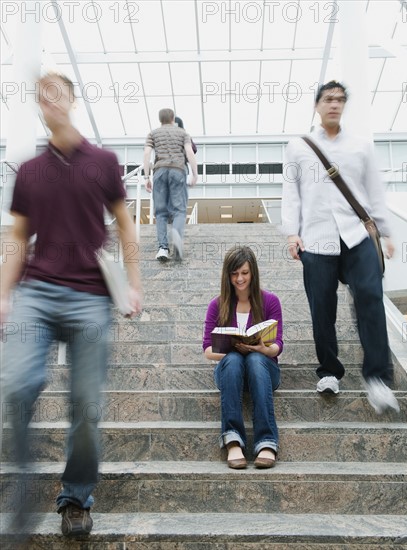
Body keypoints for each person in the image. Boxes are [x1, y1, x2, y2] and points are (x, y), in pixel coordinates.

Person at [0, 72, 143, 536]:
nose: (50, 100)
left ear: (73, 99)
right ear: (39, 106)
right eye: (42, 95)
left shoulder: (103, 162)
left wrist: (134, 285)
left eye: (57, 92)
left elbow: (125, 226)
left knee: (86, 409)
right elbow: (19, 238)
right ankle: (21, 488)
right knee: (19, 384)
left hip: (89, 298)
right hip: (37, 292)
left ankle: (76, 497)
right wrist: (4, 294)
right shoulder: (29, 171)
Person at [281, 80, 399, 415]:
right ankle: (330, 371)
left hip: (357, 235)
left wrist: (386, 233)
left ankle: (377, 378)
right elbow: (291, 191)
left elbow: (374, 193)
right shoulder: (298, 147)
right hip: (316, 238)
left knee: (370, 296)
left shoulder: (361, 147)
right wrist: (292, 233)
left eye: (340, 100)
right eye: (329, 99)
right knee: (322, 308)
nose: (335, 104)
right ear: (317, 105)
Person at [203, 246, 283, 469]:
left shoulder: (270, 301)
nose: (240, 279)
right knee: (235, 359)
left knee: (255, 360)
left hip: (264, 370)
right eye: (235, 273)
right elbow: (208, 350)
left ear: (253, 273)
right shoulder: (217, 305)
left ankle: (267, 441)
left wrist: (262, 349)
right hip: (231, 371)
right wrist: (233, 349)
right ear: (227, 275)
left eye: (245, 273)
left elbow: (278, 346)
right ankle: (233, 440)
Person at [143, 108, 198, 262]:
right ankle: (177, 236)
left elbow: (147, 153)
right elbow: (189, 152)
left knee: (160, 212)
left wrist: (146, 177)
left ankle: (163, 248)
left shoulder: (153, 133)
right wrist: (195, 174)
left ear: (160, 119)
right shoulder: (183, 133)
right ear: (173, 118)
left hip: (159, 171)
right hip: (178, 170)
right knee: (179, 210)